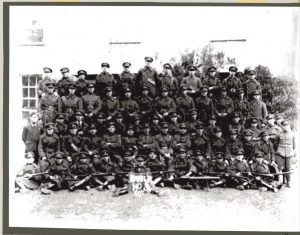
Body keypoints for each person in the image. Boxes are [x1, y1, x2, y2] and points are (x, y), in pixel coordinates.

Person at [275, 120, 295, 187]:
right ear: (282, 127)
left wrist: (293, 152)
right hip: (281, 152)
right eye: (284, 126)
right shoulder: (279, 134)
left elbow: (294, 145)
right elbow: (276, 144)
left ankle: (288, 181)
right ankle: (283, 179)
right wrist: (278, 151)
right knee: (281, 167)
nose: (285, 127)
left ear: (289, 126)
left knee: (288, 167)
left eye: (287, 125)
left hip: (289, 152)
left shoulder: (292, 134)